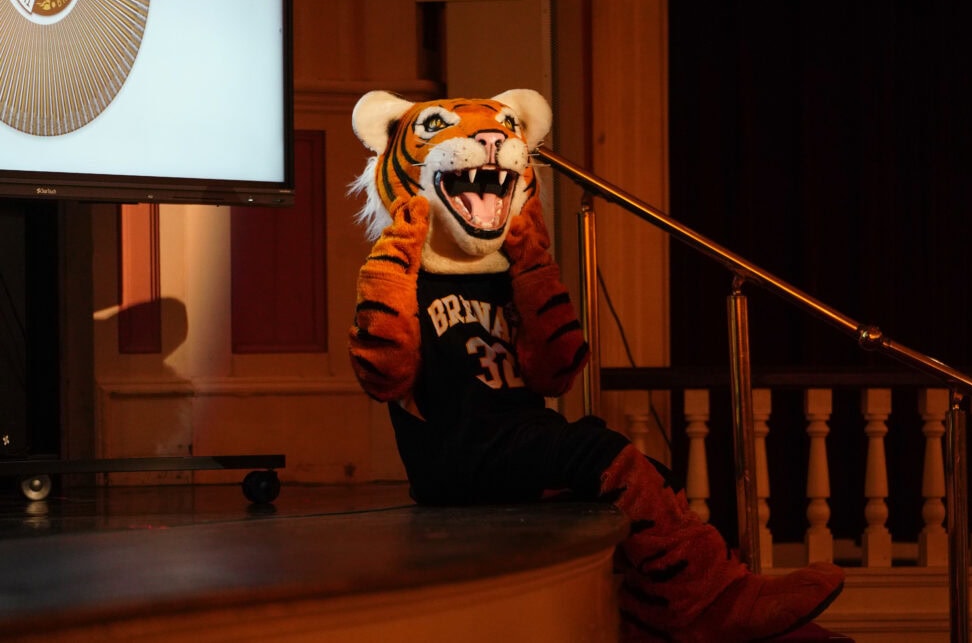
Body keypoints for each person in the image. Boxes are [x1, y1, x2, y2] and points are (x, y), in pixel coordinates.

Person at [347, 88, 844, 642]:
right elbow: (384, 374)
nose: (492, 142)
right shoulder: (407, 278)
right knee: (603, 452)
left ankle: (654, 618)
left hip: (522, 439)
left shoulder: (500, 273)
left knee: (654, 476)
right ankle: (716, 599)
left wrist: (532, 262)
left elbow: (556, 373)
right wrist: (394, 255)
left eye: (505, 130)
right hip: (456, 456)